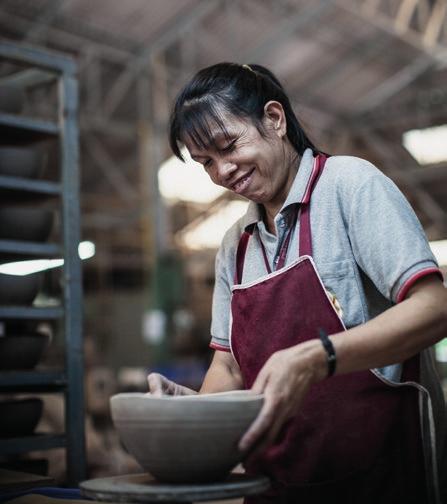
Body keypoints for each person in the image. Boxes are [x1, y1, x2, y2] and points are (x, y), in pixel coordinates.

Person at [147, 62, 447, 503]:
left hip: (382, 476)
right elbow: (229, 367)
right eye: (206, 162)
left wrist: (318, 357)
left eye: (229, 146)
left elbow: (434, 307)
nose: (223, 171)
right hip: (276, 486)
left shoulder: (350, 186)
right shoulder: (236, 246)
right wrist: (194, 410)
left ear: (274, 118)